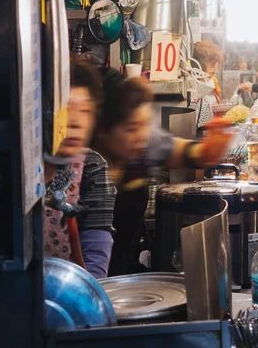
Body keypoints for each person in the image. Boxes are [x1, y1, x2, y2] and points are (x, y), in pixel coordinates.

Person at [95, 76, 230, 275]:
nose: (142, 136)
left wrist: (208, 151)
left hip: (125, 273)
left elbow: (181, 151)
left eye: (145, 125)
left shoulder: (140, 144)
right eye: (131, 128)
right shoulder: (84, 168)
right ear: (103, 131)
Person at [44, 59, 116, 279]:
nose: (76, 123)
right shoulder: (15, 165)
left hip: (71, 293)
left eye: (85, 110)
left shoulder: (92, 167)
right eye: (66, 109)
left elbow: (96, 258)